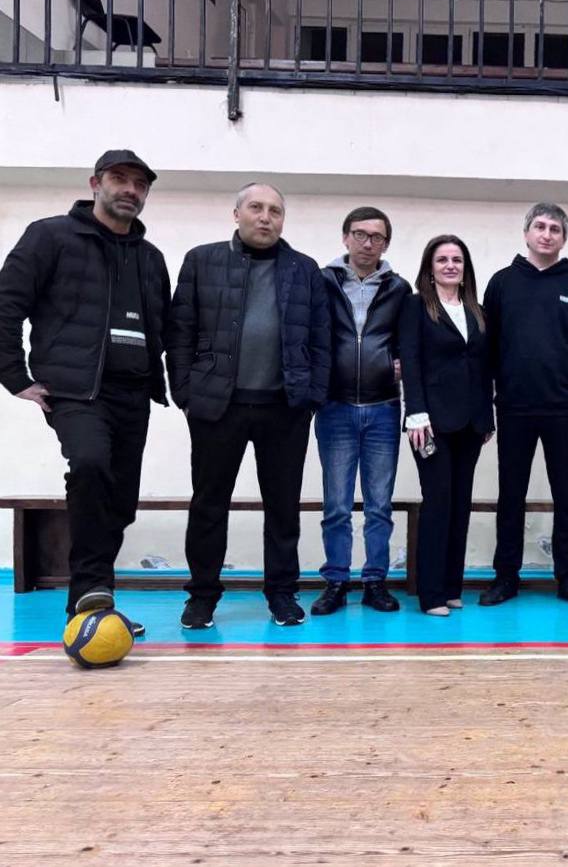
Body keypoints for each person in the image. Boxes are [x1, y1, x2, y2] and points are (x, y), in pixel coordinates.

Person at [0, 150, 169, 638]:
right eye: (120, 179)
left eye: (140, 184)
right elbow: (6, 305)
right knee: (91, 465)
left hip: (133, 394)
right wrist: (15, 377)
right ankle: (92, 593)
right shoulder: (50, 236)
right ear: (96, 183)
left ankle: (93, 602)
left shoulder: (150, 258)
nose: (130, 190)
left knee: (120, 501)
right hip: (76, 390)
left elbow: (162, 329)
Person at [166, 183, 330, 630]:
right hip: (218, 406)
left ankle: (282, 593)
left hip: (285, 408)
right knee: (208, 505)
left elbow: (321, 340)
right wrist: (185, 393)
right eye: (256, 207)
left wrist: (311, 397)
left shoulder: (304, 270)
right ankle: (202, 596)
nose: (265, 217)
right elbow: (179, 332)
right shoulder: (202, 261)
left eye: (275, 210)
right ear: (236, 213)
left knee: (283, 507)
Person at [481, 203, 568, 607]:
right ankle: (505, 577)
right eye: (540, 227)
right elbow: (488, 345)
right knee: (510, 494)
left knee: (567, 494)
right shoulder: (502, 283)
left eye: (555, 229)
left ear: (564, 238)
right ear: (527, 233)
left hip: (563, 407)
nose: (546, 234)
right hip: (513, 406)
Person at [311, 207, 411, 616]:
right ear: (345, 237)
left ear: (386, 244)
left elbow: (407, 338)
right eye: (360, 234)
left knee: (378, 505)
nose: (368, 243)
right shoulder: (322, 280)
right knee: (336, 504)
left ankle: (374, 582)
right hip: (334, 407)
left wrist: (399, 361)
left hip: (383, 407)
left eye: (377, 237)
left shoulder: (399, 288)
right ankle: (336, 581)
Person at [400, 235, 494, 616]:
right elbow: (410, 360)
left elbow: (483, 367)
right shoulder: (415, 306)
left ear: (465, 268)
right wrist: (415, 411)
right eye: (443, 260)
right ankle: (431, 594)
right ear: (430, 267)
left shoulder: (477, 311)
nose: (451, 265)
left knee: (460, 504)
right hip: (430, 423)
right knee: (438, 503)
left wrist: (487, 417)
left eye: (457, 260)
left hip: (471, 423)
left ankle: (452, 586)